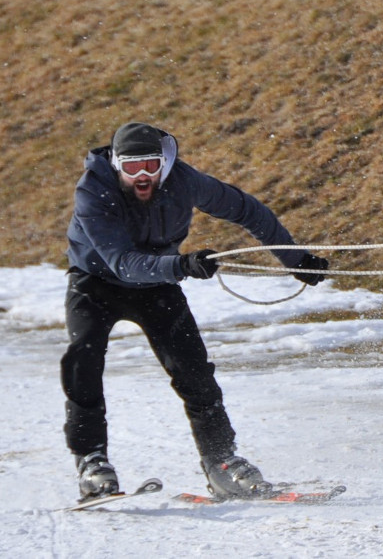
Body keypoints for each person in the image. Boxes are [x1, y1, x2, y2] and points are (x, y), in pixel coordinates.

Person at [62, 121, 329, 500]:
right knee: (82, 362)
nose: (142, 177)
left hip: (157, 286)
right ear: (116, 164)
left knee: (195, 374)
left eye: (151, 166)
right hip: (95, 283)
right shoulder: (93, 191)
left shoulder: (184, 181)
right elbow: (121, 262)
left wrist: (295, 259)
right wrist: (181, 266)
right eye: (132, 168)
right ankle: (91, 461)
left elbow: (247, 211)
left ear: (165, 163)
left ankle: (222, 462)